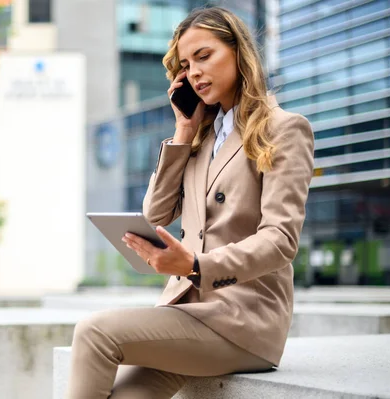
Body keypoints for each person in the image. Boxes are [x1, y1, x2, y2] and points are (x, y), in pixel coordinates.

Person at [66, 6, 314, 399]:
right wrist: (183, 132)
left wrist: (196, 265)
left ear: (238, 53)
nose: (195, 72)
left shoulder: (284, 129)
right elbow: (154, 218)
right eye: (186, 64)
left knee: (94, 332)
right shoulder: (201, 138)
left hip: (243, 320)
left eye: (204, 56)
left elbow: (281, 240)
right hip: (187, 313)